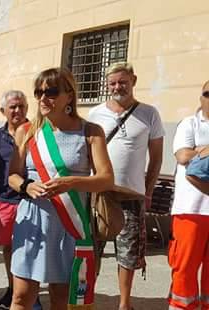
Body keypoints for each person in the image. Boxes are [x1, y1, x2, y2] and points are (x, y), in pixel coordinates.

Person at [8, 67, 114, 310]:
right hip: (34, 219)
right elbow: (12, 176)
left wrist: (72, 183)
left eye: (51, 92)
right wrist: (26, 186)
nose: (43, 98)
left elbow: (106, 178)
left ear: (69, 95)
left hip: (71, 223)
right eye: (38, 92)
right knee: (21, 297)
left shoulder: (90, 131)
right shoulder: (28, 131)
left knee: (62, 298)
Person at [88, 62, 165, 310]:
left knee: (128, 255)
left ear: (133, 79)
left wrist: (149, 190)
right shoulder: (95, 113)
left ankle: (124, 303)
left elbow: (156, 158)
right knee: (92, 250)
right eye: (112, 83)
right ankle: (86, 297)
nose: (117, 87)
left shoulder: (149, 113)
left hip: (131, 195)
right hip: (99, 194)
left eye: (122, 81)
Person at [0, 90, 41, 310]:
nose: (18, 111)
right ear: (3, 111)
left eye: (21, 106)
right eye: (12, 107)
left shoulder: (37, 132)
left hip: (31, 200)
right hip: (5, 200)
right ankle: (13, 287)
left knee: (31, 249)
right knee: (9, 248)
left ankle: (31, 294)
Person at [168, 80, 209, 310]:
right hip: (191, 210)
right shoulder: (189, 124)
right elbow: (183, 156)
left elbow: (192, 155)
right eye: (207, 93)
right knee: (185, 271)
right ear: (200, 97)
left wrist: (201, 151)